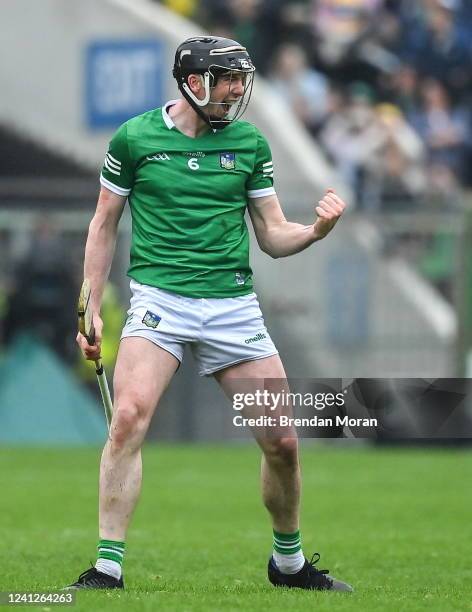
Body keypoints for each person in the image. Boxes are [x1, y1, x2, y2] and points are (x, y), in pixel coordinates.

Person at [66, 36, 352, 593]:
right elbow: (103, 225)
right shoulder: (134, 138)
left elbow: (271, 235)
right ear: (193, 83)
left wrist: (315, 231)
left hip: (232, 306)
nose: (238, 91)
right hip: (159, 299)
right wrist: (92, 304)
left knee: (284, 443)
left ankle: (288, 565)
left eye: (242, 80)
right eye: (229, 80)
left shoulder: (248, 143)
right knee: (127, 419)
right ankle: (107, 567)